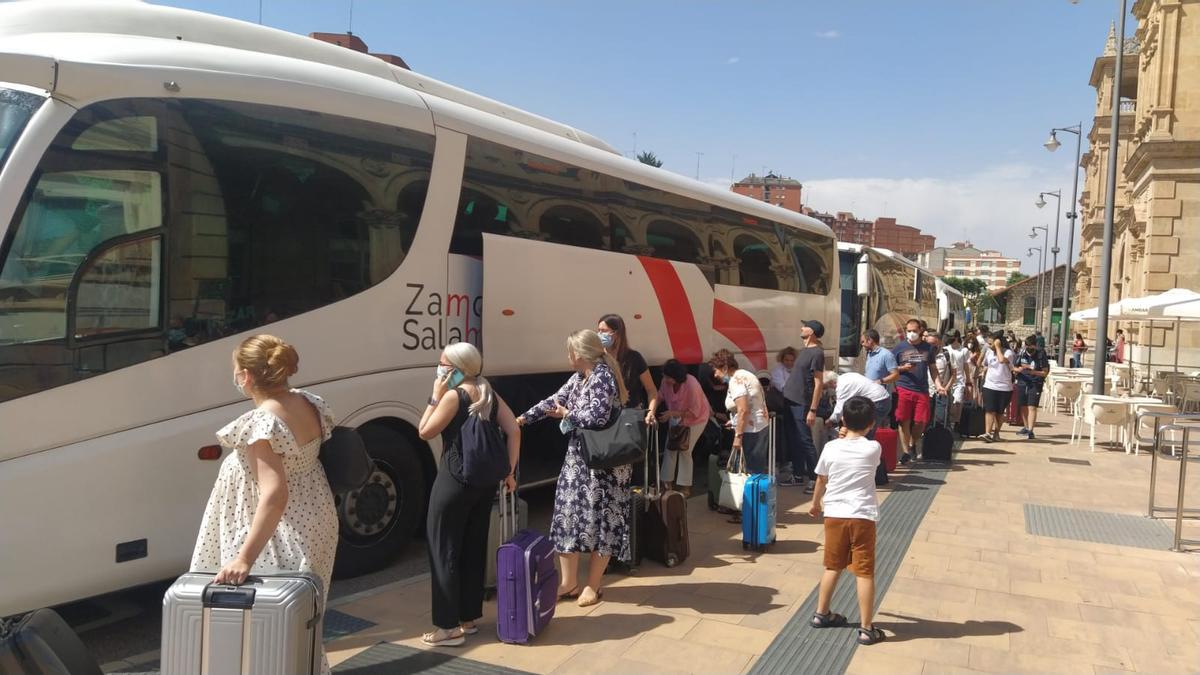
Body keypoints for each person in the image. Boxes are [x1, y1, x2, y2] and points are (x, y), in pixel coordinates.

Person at [190, 335, 339, 673]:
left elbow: (274, 493)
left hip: (277, 533)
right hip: (314, 521)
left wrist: (244, 557)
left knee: (264, 631)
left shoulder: (262, 423)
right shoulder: (307, 402)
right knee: (301, 624)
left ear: (246, 376)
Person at [418, 342, 521, 647]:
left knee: (444, 549)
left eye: (443, 365)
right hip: (484, 482)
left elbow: (424, 431)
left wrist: (434, 396)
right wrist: (510, 472)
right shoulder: (487, 391)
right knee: (473, 547)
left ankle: (447, 628)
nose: (439, 369)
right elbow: (514, 429)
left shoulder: (454, 395)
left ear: (457, 368)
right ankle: (468, 619)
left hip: (454, 481)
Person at [517, 329, 630, 608]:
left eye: (570, 351)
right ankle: (569, 583)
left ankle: (593, 585)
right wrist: (522, 419)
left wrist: (566, 414)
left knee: (602, 521)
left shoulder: (602, 376)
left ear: (579, 354)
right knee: (568, 517)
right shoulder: (580, 377)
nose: (568, 356)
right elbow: (554, 400)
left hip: (603, 465)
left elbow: (597, 416)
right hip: (579, 460)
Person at [807, 396, 885, 646]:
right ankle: (866, 628)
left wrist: (815, 504)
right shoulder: (873, 448)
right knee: (864, 572)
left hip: (834, 514)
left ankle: (821, 613)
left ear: (842, 419)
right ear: (871, 423)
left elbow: (821, 479)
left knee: (832, 566)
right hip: (862, 516)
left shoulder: (831, 448)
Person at [708, 349, 771, 474]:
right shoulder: (746, 374)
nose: (715, 375)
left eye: (716, 370)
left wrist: (738, 436)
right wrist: (735, 421)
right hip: (759, 425)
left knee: (749, 471)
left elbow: (743, 409)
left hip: (751, 430)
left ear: (725, 367)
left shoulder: (736, 381)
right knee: (756, 468)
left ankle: (750, 493)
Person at [782, 320, 826, 491]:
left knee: (805, 440)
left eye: (805, 326)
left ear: (812, 332)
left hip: (802, 402)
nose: (801, 327)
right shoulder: (804, 350)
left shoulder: (817, 353)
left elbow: (818, 383)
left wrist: (813, 409)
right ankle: (798, 475)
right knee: (794, 439)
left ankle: (815, 479)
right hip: (790, 400)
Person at [657, 359, 711, 496]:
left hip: (696, 420)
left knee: (685, 450)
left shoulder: (692, 384)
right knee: (670, 448)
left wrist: (671, 414)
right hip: (675, 417)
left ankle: (685, 486)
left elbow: (695, 412)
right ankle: (666, 482)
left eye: (668, 377)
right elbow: (659, 396)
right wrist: (652, 411)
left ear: (676, 377)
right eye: (664, 376)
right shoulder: (665, 382)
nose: (665, 379)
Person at [891, 319, 939, 463]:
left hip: (922, 389)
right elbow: (890, 368)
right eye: (909, 331)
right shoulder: (899, 348)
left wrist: (939, 385)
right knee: (903, 420)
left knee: (920, 421)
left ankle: (913, 444)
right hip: (903, 387)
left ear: (920, 331)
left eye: (914, 331)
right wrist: (902, 368)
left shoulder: (928, 348)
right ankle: (905, 451)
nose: (911, 333)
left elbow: (933, 369)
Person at [597, 314, 658, 426]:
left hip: (631, 420)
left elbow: (651, 390)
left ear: (617, 333)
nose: (599, 335)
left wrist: (651, 412)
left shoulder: (634, 358)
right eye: (598, 330)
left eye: (604, 331)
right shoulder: (597, 359)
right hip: (605, 421)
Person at [824, 371, 891, 441]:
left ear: (831, 382)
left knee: (865, 432)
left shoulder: (842, 387)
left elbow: (839, 409)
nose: (830, 389)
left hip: (878, 402)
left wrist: (830, 421)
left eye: (828, 387)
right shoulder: (846, 376)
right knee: (864, 431)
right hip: (882, 398)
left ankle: (865, 450)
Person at [1011, 336, 1050, 440]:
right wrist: (1018, 370)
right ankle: (1026, 426)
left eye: (1031, 347)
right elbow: (1014, 367)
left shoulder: (1041, 354)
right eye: (1027, 347)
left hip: (1035, 383)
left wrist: (1033, 372)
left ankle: (1031, 430)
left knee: (1032, 406)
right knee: (1023, 405)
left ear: (1035, 346)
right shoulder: (1021, 353)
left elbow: (1045, 372)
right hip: (1022, 382)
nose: (1029, 350)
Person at [980, 333, 1015, 443]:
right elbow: (986, 365)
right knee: (989, 410)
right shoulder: (989, 352)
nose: (989, 345)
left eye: (991, 343)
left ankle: (996, 433)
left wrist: (998, 347)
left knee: (1000, 412)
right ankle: (987, 433)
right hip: (990, 385)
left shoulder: (1008, 353)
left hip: (1004, 387)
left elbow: (1001, 360)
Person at [944, 333, 969, 427]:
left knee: (957, 401)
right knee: (949, 402)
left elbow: (966, 366)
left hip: (959, 380)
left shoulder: (964, 350)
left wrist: (968, 381)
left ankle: (956, 422)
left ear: (957, 337)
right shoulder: (945, 349)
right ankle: (948, 421)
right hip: (947, 380)